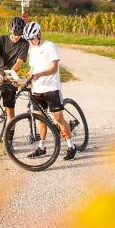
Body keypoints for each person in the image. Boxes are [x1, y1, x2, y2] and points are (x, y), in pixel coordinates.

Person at [22, 21, 77, 161]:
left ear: (39, 34)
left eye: (33, 38)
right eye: (29, 40)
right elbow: (33, 68)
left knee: (58, 118)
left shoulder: (49, 46)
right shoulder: (32, 50)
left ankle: (71, 146)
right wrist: (27, 77)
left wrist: (40, 74)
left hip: (52, 88)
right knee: (40, 120)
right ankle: (42, 147)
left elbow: (54, 68)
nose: (32, 42)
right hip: (37, 89)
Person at [0, 16, 29, 123]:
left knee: (10, 112)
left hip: (10, 77)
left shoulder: (25, 44)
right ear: (10, 31)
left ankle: (9, 138)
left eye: (19, 35)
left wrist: (7, 76)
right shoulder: (1, 39)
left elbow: (19, 62)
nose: (16, 37)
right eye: (14, 34)